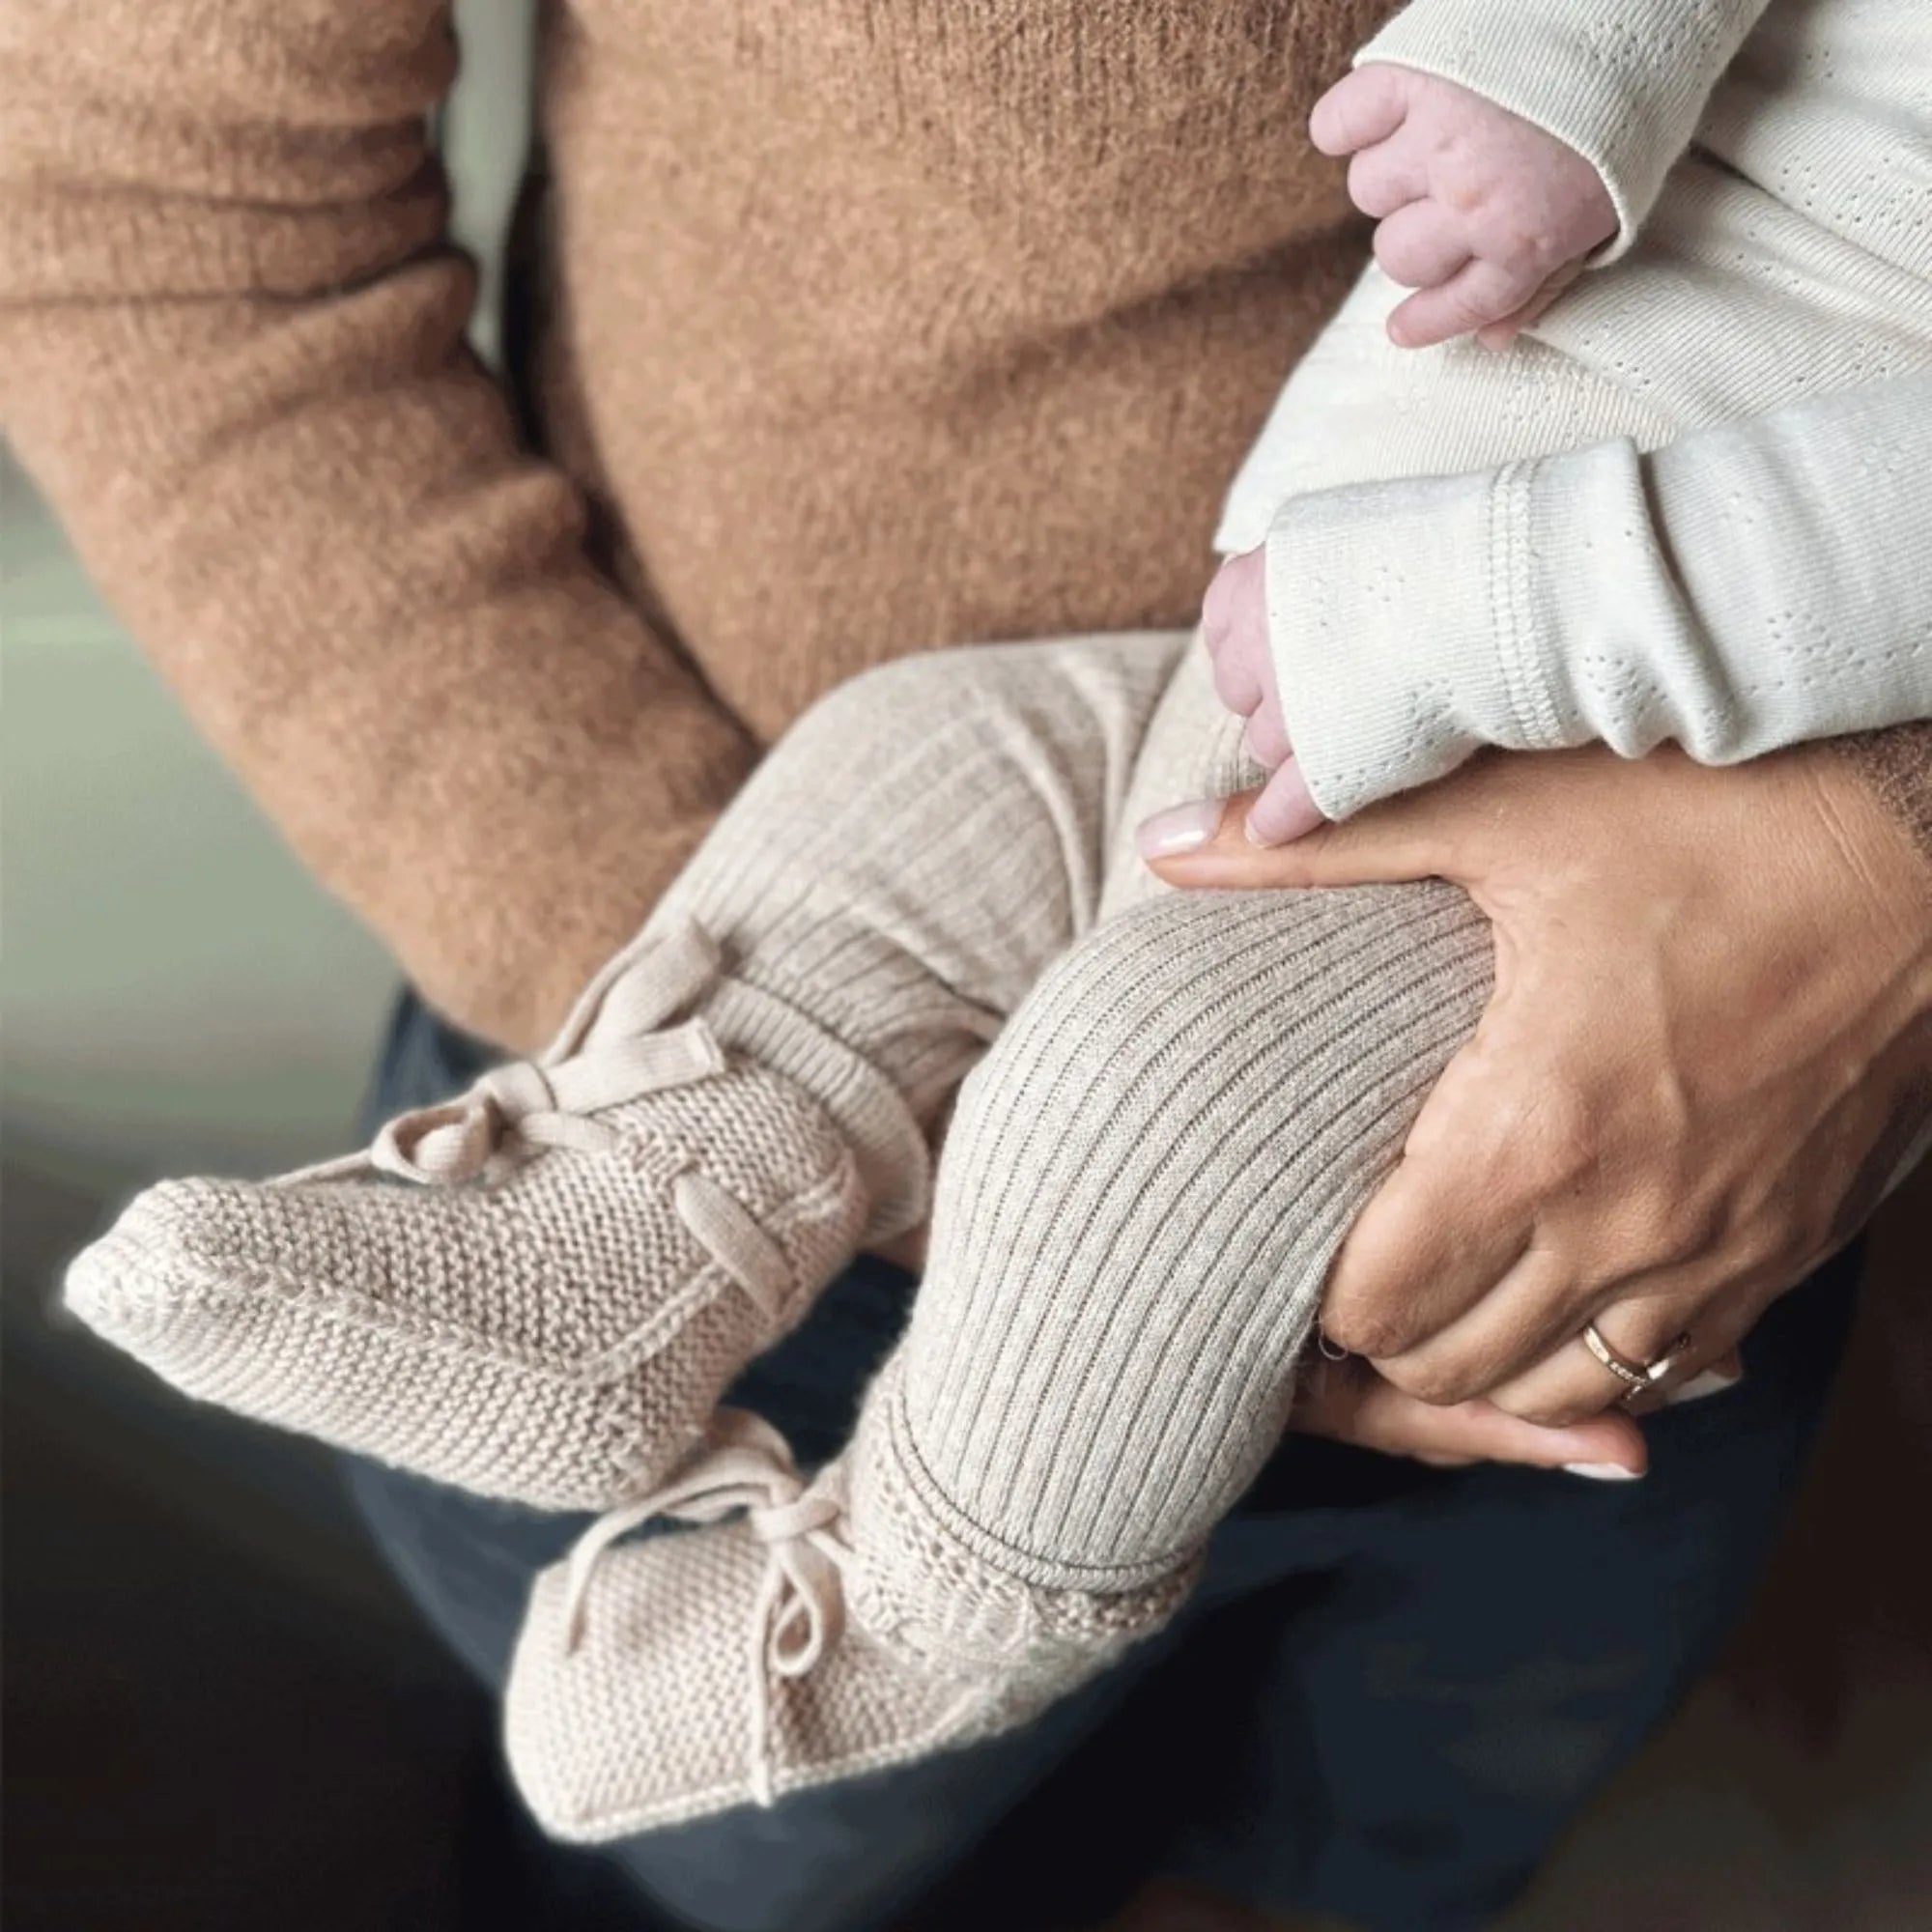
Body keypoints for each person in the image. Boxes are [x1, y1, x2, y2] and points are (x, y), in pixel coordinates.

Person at [8, 0, 1929, 1925]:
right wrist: (1556, 82)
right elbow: (142, 212)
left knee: (1362, 1821)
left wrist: (1888, 882)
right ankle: (644, 1194)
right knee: (921, 760)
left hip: (1613, 1075)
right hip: (925, 973)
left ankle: (933, 1597)